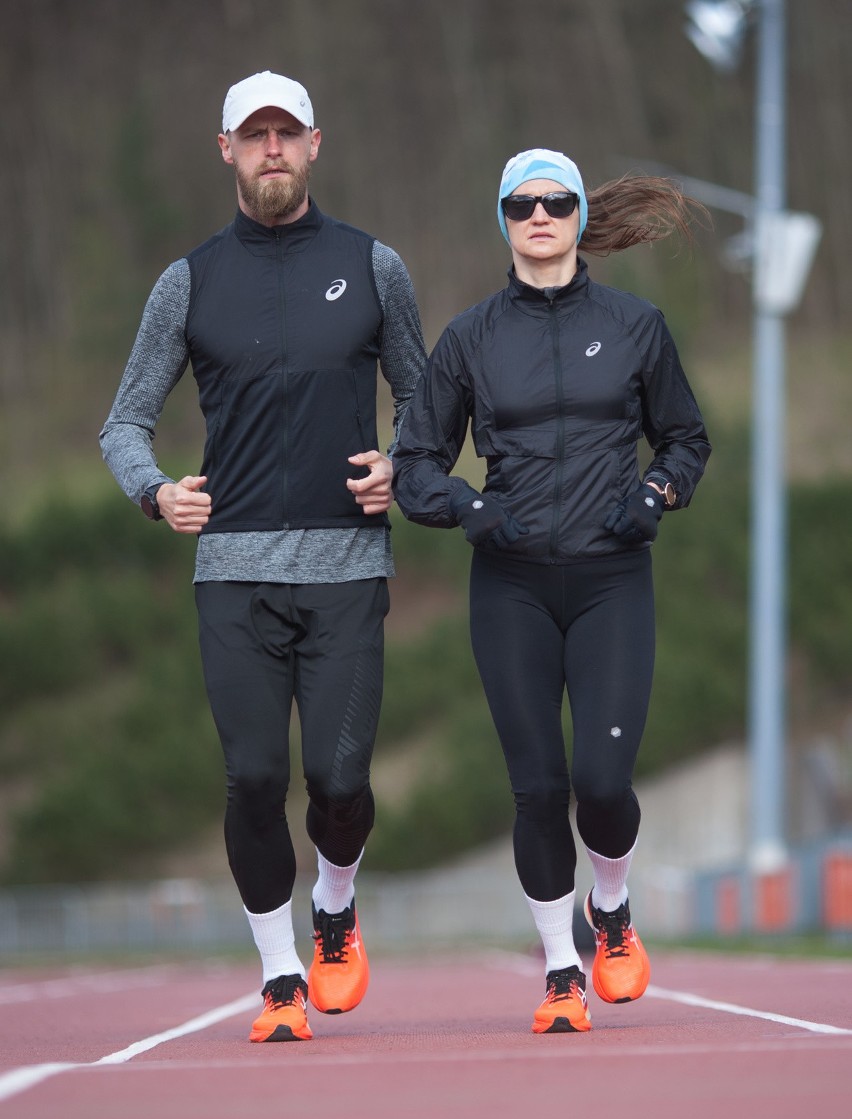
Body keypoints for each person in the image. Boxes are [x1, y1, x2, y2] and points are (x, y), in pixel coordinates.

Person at [101, 71, 426, 1043]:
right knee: (250, 779)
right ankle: (281, 976)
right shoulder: (188, 281)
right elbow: (125, 423)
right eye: (255, 135)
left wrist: (402, 468)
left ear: (315, 144)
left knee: (337, 781)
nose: (272, 148)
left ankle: (334, 904)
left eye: (287, 133)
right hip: (232, 572)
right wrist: (154, 490)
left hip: (347, 567)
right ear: (227, 150)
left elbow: (428, 404)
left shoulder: (375, 266)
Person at [392, 149, 710, 1034]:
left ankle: (612, 909)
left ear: (577, 216)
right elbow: (415, 460)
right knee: (537, 788)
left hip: (613, 579)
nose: (540, 215)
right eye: (522, 203)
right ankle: (562, 971)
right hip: (512, 585)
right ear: (504, 219)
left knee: (601, 782)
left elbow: (687, 440)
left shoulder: (637, 325)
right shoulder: (470, 338)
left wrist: (656, 493)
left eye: (556, 201)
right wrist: (465, 507)